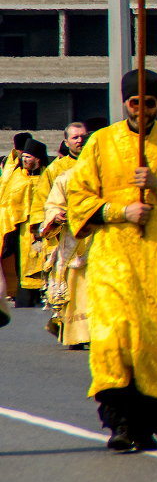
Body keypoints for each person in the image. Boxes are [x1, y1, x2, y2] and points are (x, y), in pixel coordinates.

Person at [66, 69, 157, 452]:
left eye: (149, 104)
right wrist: (120, 212)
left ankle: (151, 424)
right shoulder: (101, 142)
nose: (142, 111)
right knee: (114, 338)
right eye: (135, 103)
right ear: (125, 103)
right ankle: (122, 424)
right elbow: (78, 198)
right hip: (114, 258)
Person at [39, 122, 90, 347]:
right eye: (75, 137)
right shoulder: (59, 173)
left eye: (83, 137)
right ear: (66, 141)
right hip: (70, 238)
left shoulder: (104, 172)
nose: (79, 141)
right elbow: (47, 203)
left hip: (98, 238)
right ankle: (74, 333)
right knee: (73, 286)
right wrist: (55, 216)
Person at [0, 137, 49, 307]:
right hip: (21, 229)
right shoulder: (18, 176)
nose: (25, 159)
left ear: (38, 158)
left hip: (44, 227)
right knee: (23, 262)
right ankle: (25, 297)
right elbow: (7, 199)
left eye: (29, 157)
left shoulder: (47, 176)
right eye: (24, 157)